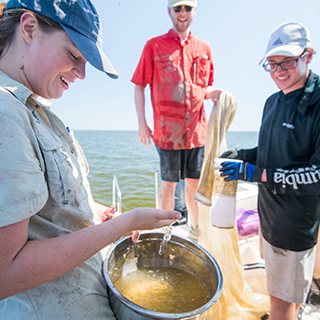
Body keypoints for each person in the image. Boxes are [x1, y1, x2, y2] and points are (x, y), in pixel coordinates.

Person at [0, 1, 181, 319]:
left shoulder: (36, 110)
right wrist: (125, 224)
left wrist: (97, 214)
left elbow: (49, 215)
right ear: (29, 28)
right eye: (74, 55)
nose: (82, 74)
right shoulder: (6, 115)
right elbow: (6, 272)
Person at [219, 21, 320, 320]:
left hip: (295, 228)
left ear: (308, 55)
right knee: (286, 294)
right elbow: (271, 150)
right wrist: (242, 156)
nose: (278, 71)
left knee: (278, 302)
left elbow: (316, 175)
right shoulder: (272, 102)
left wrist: (257, 174)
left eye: (287, 62)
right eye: (271, 64)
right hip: (270, 218)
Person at [131, 0, 221, 232]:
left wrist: (216, 94)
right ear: (169, 11)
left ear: (194, 11)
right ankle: (165, 232)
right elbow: (139, 85)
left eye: (188, 8)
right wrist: (142, 124)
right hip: (167, 132)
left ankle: (195, 229)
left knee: (193, 184)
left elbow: (205, 88)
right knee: (168, 183)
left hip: (197, 132)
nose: (183, 13)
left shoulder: (205, 48)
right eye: (178, 8)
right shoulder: (153, 45)